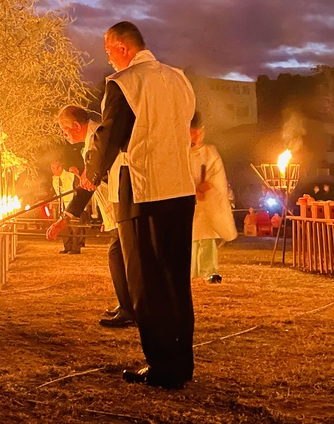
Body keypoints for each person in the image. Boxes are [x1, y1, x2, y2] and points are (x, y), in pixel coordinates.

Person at [80, 21, 197, 389]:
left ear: (120, 46)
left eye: (107, 50)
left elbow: (109, 135)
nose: (108, 58)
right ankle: (182, 362)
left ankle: (162, 366)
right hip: (180, 186)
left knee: (145, 281)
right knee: (176, 278)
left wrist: (91, 175)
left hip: (142, 188)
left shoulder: (125, 83)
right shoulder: (179, 79)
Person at [47, 105, 135, 326]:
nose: (64, 135)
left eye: (65, 130)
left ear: (77, 126)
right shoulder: (93, 141)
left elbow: (90, 185)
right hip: (114, 208)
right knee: (120, 256)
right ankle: (127, 306)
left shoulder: (99, 137)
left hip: (123, 203)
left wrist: (63, 219)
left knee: (119, 256)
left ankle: (131, 310)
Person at [190, 112, 237, 284]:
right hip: (187, 200)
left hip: (206, 201)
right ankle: (190, 270)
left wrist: (206, 186)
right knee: (190, 235)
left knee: (206, 234)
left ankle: (209, 270)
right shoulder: (179, 152)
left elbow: (217, 176)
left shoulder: (209, 153)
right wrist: (191, 190)